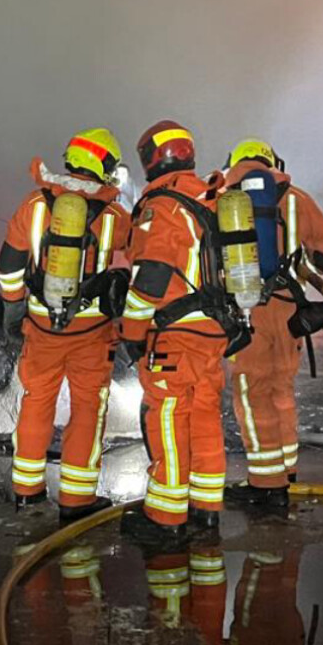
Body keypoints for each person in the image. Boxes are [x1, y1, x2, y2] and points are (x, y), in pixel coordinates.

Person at [0, 128, 132, 520]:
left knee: (36, 403)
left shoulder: (34, 205)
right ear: (105, 166)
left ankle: (27, 490)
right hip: (93, 333)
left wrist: (13, 310)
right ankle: (77, 499)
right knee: (88, 408)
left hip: (41, 327)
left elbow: (8, 267)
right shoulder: (114, 216)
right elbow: (141, 253)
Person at [118, 120, 243, 540]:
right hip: (213, 332)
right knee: (205, 418)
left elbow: (151, 275)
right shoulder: (211, 198)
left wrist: (132, 332)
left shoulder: (163, 207)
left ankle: (166, 520)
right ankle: (206, 509)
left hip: (174, 335)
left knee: (168, 420)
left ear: (152, 158)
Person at [215, 138, 323, 511]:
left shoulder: (221, 197)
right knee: (281, 390)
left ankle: (265, 485)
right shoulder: (297, 198)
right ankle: (287, 472)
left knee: (253, 397)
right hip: (289, 313)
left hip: (247, 311)